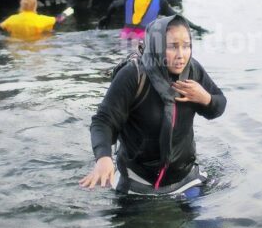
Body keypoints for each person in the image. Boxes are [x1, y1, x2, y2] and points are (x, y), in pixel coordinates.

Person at [80, 15, 227, 195]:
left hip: (186, 179)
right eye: (172, 46)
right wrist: (103, 158)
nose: (181, 55)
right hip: (137, 182)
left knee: (212, 223)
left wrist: (206, 99)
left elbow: (219, 105)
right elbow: (103, 121)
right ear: (157, 45)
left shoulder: (193, 71)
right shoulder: (133, 75)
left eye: (186, 45)